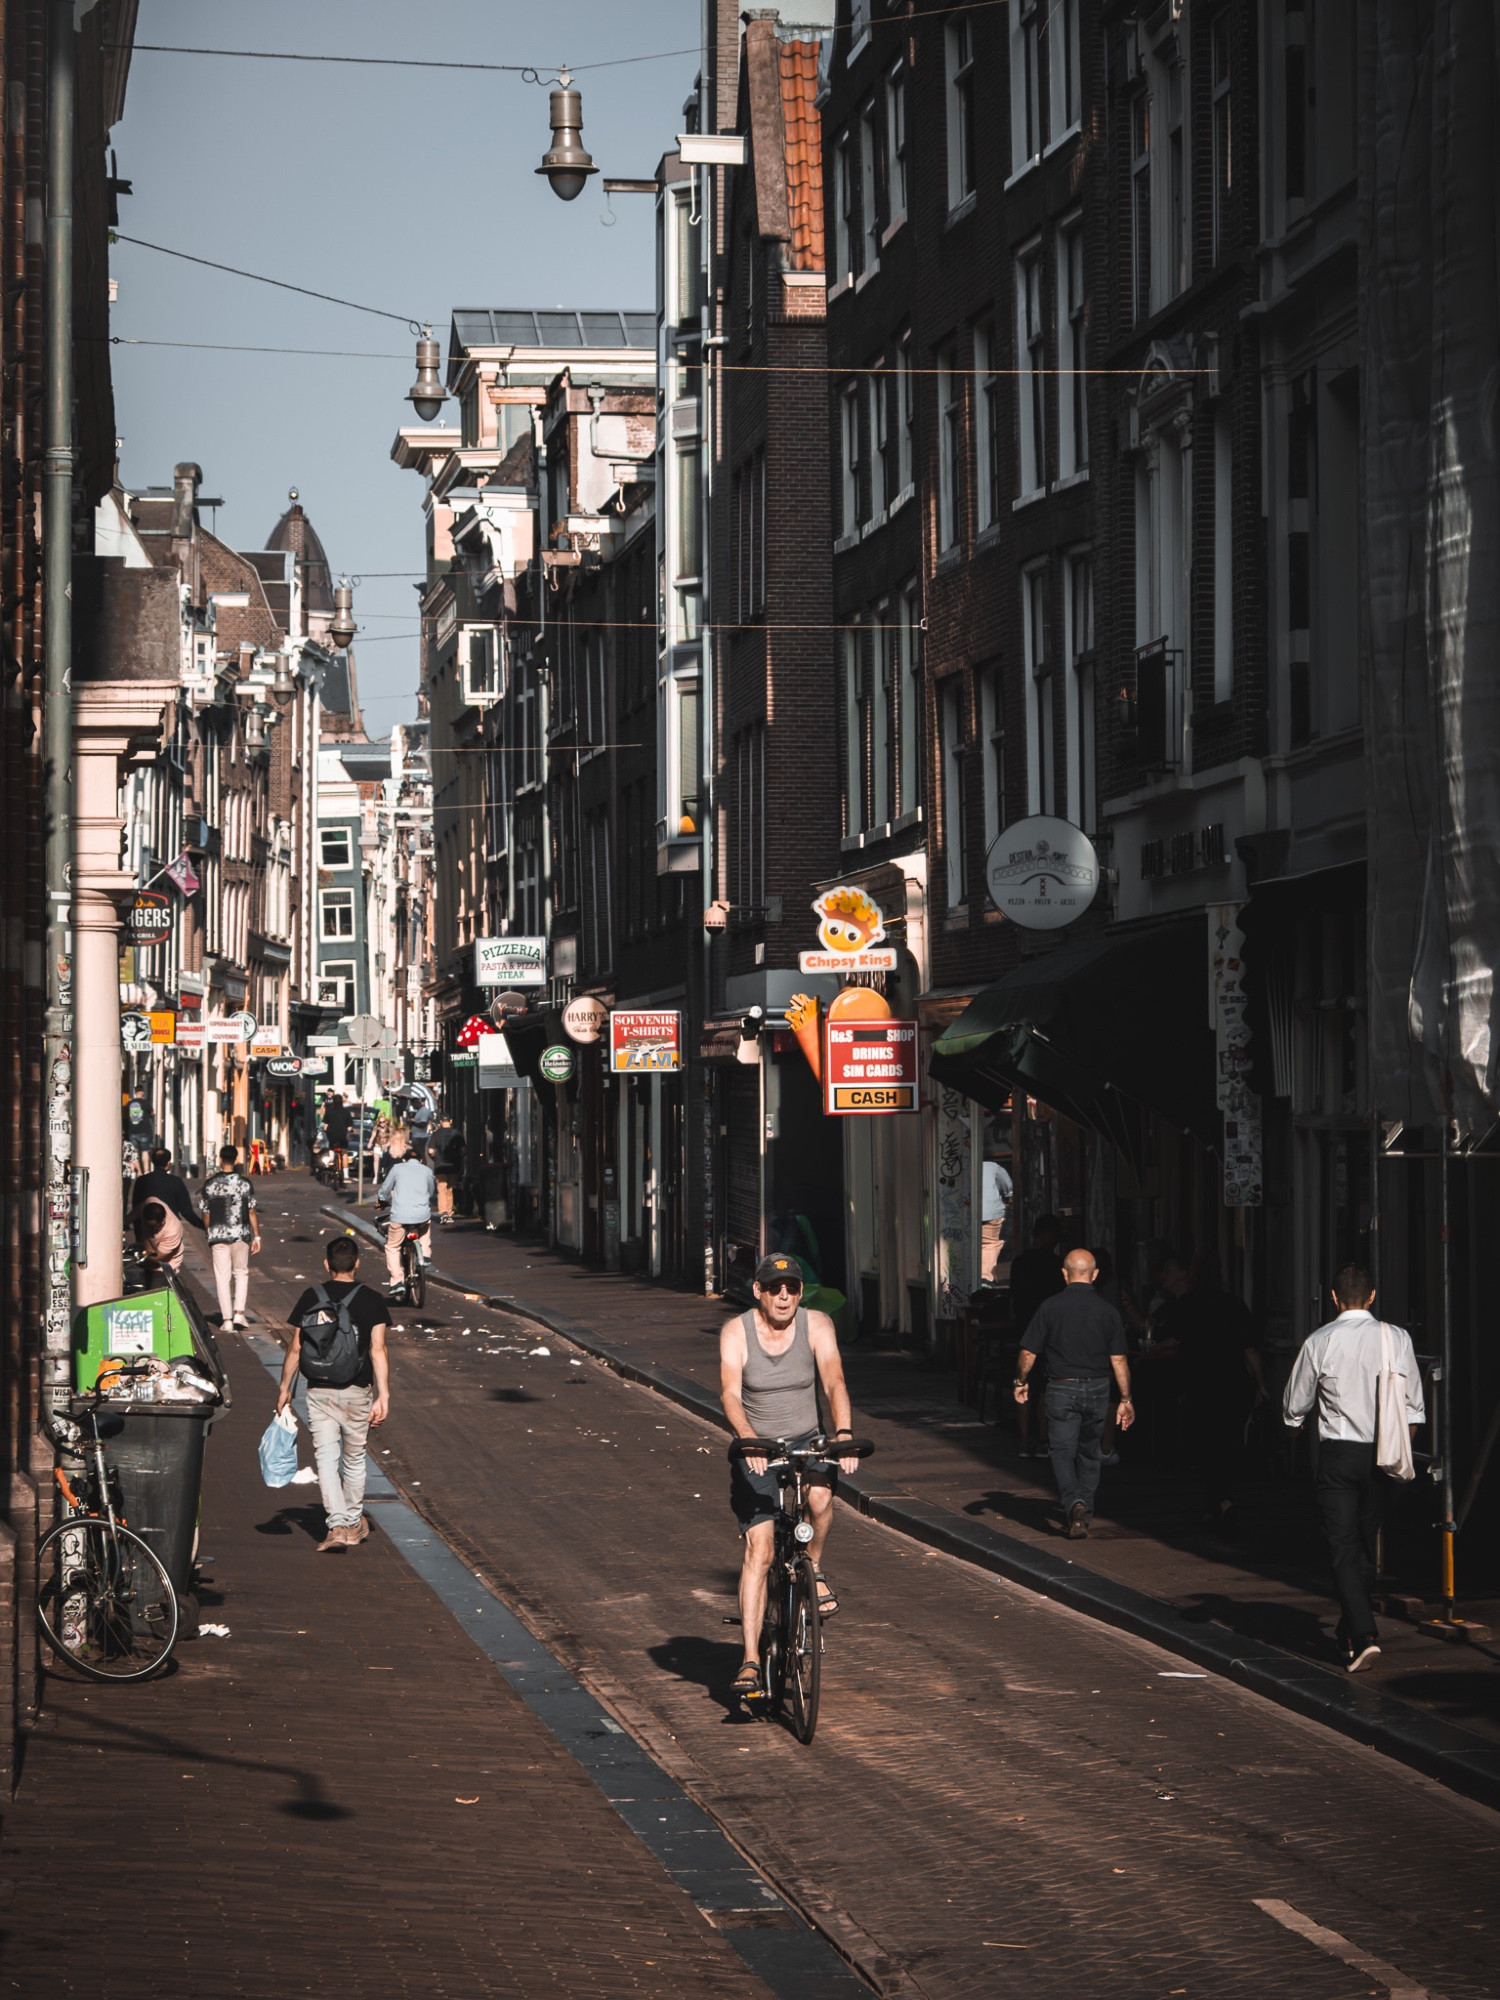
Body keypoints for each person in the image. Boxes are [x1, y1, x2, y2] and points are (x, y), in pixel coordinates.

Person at [719, 1251, 861, 1702]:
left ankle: (812, 1569)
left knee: (820, 1502)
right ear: (757, 1291)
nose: (785, 1296)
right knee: (759, 1551)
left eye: (793, 1288)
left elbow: (834, 1380)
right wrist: (749, 1438)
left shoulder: (817, 1325)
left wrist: (843, 1433)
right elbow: (729, 1391)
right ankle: (749, 1659)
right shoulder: (736, 1332)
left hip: (807, 1440)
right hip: (757, 1447)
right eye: (775, 1288)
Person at [1283, 1264, 1425, 1673]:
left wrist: (1292, 1430)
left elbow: (1296, 1404)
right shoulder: (1397, 1338)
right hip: (1385, 1454)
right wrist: (1401, 1446)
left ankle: (1362, 1631)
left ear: (1333, 1298)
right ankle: (1349, 1632)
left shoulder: (1320, 1341)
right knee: (1363, 1542)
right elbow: (1414, 1407)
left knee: (1342, 1546)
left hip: (1339, 1455)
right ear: (1373, 1296)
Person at [278, 1234, 391, 1552]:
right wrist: (384, 1395)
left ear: (327, 1265)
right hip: (357, 1389)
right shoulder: (372, 1299)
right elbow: (378, 1350)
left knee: (326, 1459)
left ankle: (337, 1526)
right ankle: (354, 1523)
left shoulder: (310, 1297)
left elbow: (296, 1348)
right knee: (354, 1459)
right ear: (357, 1264)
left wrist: (285, 1388)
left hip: (319, 1391)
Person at [1013, 1247, 1135, 1539]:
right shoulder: (1108, 1311)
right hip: (1098, 1387)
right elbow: (1119, 1360)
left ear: (1065, 1274)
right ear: (1094, 1275)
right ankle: (1085, 1512)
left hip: (1061, 1387)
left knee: (1062, 1452)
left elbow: (1028, 1352)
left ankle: (1073, 1502)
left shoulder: (1050, 1307)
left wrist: (1020, 1381)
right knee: (1090, 1453)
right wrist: (1126, 1399)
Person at [1174, 1250, 1268, 1528]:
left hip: (1200, 1384)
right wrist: (1261, 1384)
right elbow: (1249, 1349)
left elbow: (1181, 1347)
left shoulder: (1187, 1304)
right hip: (1232, 1382)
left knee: (1206, 1444)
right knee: (1227, 1441)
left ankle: (1218, 1501)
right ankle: (1222, 1499)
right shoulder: (1234, 1305)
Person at [1007, 1214, 1065, 1456]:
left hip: (1025, 1328)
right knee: (1044, 1385)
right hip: (1049, 1330)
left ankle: (1024, 1440)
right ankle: (1042, 1439)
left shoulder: (1019, 1263)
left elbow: (1013, 1298)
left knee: (1024, 1382)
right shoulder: (1055, 1265)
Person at [196, 1144, 261, 1329]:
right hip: (241, 1234)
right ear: (236, 1159)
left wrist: (209, 1231)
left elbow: (206, 1213)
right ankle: (239, 1313)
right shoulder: (245, 1184)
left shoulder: (210, 1184)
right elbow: (252, 1211)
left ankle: (226, 1320)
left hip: (218, 1235)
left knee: (222, 1277)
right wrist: (257, 1236)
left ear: (220, 1159)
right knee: (241, 1273)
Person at [377, 1145, 437, 1298]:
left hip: (400, 1216)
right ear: (421, 1160)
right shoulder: (427, 1171)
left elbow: (385, 1189)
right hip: (421, 1215)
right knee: (425, 1227)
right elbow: (431, 1192)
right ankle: (425, 1255)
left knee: (392, 1247)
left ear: (404, 1159)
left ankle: (397, 1281)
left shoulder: (397, 1168)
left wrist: (382, 1200)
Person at [131, 1148, 205, 1233]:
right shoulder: (176, 1181)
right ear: (168, 1164)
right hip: (170, 1230)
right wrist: (203, 1225)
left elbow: (136, 1209)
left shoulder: (141, 1181)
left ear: (152, 1162)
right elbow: (187, 1212)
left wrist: (138, 1232)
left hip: (147, 1229)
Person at [980, 1156, 1013, 1284]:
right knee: (989, 1245)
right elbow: (1007, 1186)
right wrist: (1008, 1197)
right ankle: (985, 1278)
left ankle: (988, 1276)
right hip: (990, 1213)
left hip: (967, 1213)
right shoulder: (993, 1167)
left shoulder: (963, 1167)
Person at [430, 1115, 465, 1224]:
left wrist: (435, 1159)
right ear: (451, 1121)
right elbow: (463, 1150)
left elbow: (431, 1150)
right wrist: (459, 1159)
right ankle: (449, 1213)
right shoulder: (457, 1133)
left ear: (440, 1121)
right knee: (450, 1189)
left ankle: (443, 1213)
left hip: (440, 1165)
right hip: (453, 1165)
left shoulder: (436, 1134)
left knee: (441, 1189)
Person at [135, 1198, 184, 1273]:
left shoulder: (172, 1230)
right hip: (147, 1255)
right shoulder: (149, 1203)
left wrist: (139, 1255)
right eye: (146, 1225)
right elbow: (137, 1211)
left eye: (153, 1227)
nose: (149, 1229)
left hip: (166, 1264)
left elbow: (157, 1258)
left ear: (162, 1222)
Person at [122, 1088, 153, 1172]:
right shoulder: (146, 1103)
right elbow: (152, 1113)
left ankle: (133, 1171)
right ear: (143, 1092)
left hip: (132, 1131)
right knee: (145, 1151)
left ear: (135, 1093)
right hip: (144, 1130)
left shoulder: (129, 1103)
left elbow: (126, 1114)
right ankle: (146, 1171)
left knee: (133, 1152)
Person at [322, 1092, 351, 1179]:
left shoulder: (329, 1112)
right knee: (344, 1153)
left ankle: (331, 1160)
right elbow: (349, 1127)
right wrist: (350, 1130)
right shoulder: (346, 1112)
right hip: (342, 1136)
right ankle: (346, 1174)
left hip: (332, 1136)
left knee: (331, 1146)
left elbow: (325, 1126)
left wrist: (326, 1130)